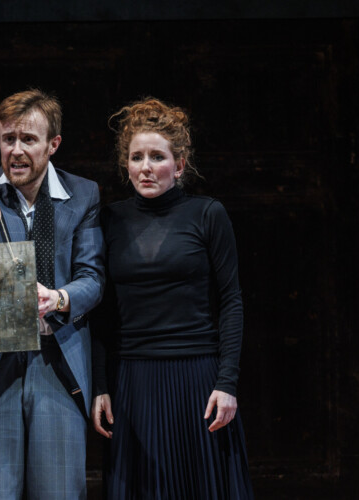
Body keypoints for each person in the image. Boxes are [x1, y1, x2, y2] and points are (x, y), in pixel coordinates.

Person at [0, 89, 105, 499]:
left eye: (28, 139)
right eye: (8, 139)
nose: (16, 150)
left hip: (55, 363)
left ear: (53, 144)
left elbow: (93, 277)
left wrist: (58, 298)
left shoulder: (82, 195)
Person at [91, 98, 253, 499]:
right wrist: (100, 385)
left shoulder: (207, 214)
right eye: (136, 157)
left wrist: (227, 382)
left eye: (157, 157)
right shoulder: (109, 219)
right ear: (126, 164)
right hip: (133, 380)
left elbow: (231, 300)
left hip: (196, 378)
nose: (145, 167)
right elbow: (101, 312)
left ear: (179, 165)